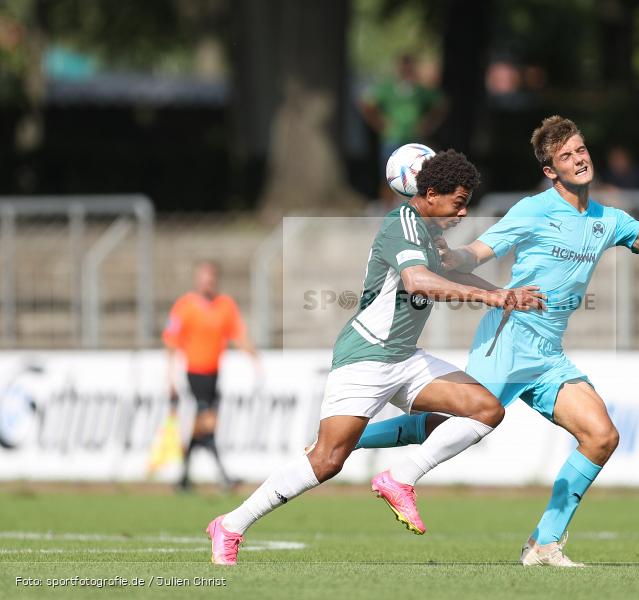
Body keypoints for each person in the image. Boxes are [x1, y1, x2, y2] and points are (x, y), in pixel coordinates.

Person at [352, 116, 639, 567]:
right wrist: (449, 254)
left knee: (601, 436)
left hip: (548, 355)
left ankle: (544, 544)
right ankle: (346, 440)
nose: (579, 159)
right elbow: (473, 254)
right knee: (444, 424)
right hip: (509, 338)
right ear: (550, 171)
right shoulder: (533, 210)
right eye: (566, 156)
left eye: (581, 150)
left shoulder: (608, 220)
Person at [206, 150, 544, 565]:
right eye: (458, 202)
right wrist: (489, 297)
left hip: (405, 357)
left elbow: (449, 272)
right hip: (366, 356)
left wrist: (505, 295)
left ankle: (400, 477)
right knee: (327, 460)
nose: (463, 211)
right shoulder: (402, 223)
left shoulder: (426, 231)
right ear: (430, 194)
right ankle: (232, 524)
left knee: (485, 410)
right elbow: (418, 282)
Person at [163, 260, 258, 492]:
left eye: (211, 277)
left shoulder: (225, 305)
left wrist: (254, 357)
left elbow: (237, 334)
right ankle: (223, 476)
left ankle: (183, 478)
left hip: (214, 374)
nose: (207, 282)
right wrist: (170, 377)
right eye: (203, 277)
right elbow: (171, 342)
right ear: (197, 280)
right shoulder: (184, 306)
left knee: (201, 427)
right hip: (194, 373)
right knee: (208, 423)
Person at [360, 54, 448, 207]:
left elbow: (441, 104)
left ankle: (417, 208)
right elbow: (367, 104)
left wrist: (428, 124)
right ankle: (387, 208)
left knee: (419, 174)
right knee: (390, 174)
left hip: (414, 137)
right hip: (392, 137)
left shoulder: (420, 90)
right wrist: (379, 124)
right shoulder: (388, 88)